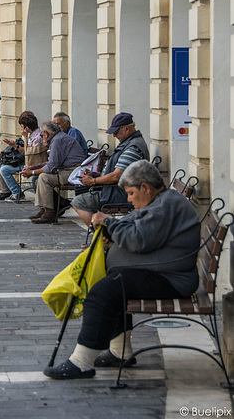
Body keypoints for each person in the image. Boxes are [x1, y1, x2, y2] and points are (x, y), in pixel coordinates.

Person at [44, 160, 201, 380]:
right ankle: (120, 352)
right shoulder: (158, 202)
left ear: (145, 188)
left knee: (103, 293)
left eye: (130, 193)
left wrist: (108, 221)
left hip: (172, 280)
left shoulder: (164, 205)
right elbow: (134, 225)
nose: (128, 200)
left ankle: (81, 363)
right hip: (164, 274)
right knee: (114, 283)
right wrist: (109, 230)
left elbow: (139, 240)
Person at [72, 112, 149, 227]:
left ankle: (104, 237)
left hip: (121, 193)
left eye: (116, 132)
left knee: (78, 202)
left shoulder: (133, 147)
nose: (114, 135)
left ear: (127, 128)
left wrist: (93, 181)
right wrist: (95, 175)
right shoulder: (129, 143)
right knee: (81, 193)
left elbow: (116, 176)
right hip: (117, 190)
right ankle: (104, 233)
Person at [21, 121, 86, 224]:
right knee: (38, 179)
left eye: (42, 135)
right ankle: (46, 209)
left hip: (73, 172)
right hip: (68, 169)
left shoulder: (58, 140)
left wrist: (32, 172)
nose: (42, 137)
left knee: (44, 178)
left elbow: (51, 167)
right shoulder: (57, 138)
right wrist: (35, 167)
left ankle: (49, 213)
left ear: (46, 133)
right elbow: (52, 162)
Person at [0, 111, 43, 202]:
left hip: (32, 162)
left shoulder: (36, 138)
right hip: (24, 159)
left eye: (22, 127)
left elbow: (28, 153)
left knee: (4, 169)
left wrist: (18, 143)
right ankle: (6, 191)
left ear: (26, 128)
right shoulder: (32, 134)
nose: (21, 129)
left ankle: (17, 192)